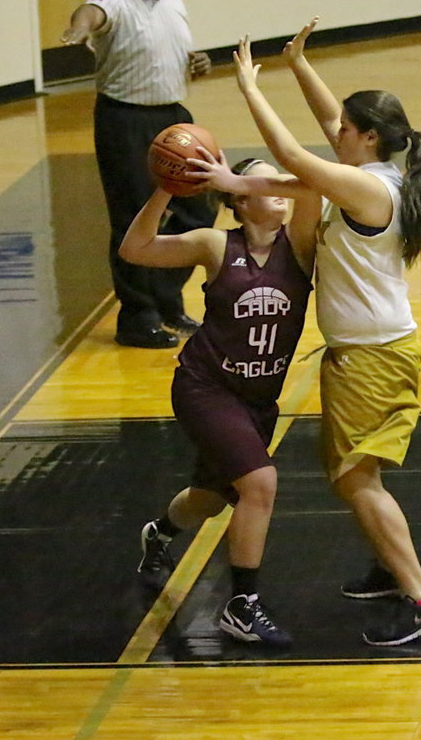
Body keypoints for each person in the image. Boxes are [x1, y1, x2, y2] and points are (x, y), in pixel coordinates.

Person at [190, 19, 421, 647]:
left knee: (354, 478)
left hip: (372, 357)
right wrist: (298, 64)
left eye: (345, 129)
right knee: (356, 471)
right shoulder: (375, 173)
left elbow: (292, 161)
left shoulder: (365, 186)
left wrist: (249, 89)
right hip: (367, 352)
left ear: (368, 139)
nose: (335, 131)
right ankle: (391, 568)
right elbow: (315, 146)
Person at [119, 158, 319, 645]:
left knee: (209, 500)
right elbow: (135, 249)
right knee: (260, 484)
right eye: (262, 182)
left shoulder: (300, 241)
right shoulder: (215, 244)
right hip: (204, 387)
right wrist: (167, 189)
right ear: (239, 200)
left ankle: (160, 533)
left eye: (278, 181)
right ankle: (241, 606)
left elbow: (309, 184)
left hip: (258, 400)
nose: (278, 190)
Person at [61, 0, 216, 348]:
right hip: (124, 119)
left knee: (200, 208)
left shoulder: (174, 1)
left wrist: (197, 61)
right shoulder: (112, 0)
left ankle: (166, 298)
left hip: (174, 118)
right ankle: (137, 317)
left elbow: (173, 52)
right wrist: (77, 30)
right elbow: (90, 14)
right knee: (134, 218)